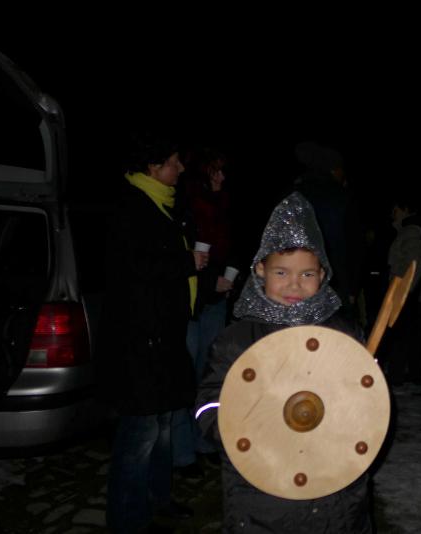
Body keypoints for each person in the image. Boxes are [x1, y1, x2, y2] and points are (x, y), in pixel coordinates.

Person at [195, 192, 373, 533]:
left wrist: (365, 385)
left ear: (323, 274)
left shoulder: (343, 333)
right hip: (264, 495)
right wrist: (247, 433)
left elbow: (367, 401)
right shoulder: (236, 340)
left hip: (335, 495)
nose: (294, 284)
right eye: (281, 272)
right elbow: (209, 405)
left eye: (307, 274)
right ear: (260, 270)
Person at [97, 131, 205, 532]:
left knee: (161, 427)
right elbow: (132, 271)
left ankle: (158, 500)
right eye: (174, 162)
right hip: (138, 341)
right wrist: (185, 262)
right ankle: (127, 519)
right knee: (140, 433)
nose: (180, 169)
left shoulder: (162, 204)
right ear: (153, 166)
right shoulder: (130, 206)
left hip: (163, 337)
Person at [171, 147, 236, 476]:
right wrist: (211, 281)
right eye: (215, 171)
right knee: (184, 376)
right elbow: (183, 259)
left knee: (209, 375)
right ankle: (182, 454)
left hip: (215, 301)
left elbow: (234, 246)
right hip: (190, 304)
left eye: (223, 171)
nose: (221, 177)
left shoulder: (225, 205)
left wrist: (231, 277)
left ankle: (204, 442)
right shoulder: (184, 206)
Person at [294, 141, 364, 322]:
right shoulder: (343, 197)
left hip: (295, 283)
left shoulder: (293, 195)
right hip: (335, 285)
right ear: (334, 170)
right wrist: (352, 288)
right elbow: (354, 246)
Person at [384, 193, 421, 386]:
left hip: (410, 293)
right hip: (416, 293)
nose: (393, 214)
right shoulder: (409, 231)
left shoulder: (410, 232)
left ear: (405, 210)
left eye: (396, 210)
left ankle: (397, 376)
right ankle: (415, 375)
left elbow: (413, 266)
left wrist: (402, 292)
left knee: (401, 336)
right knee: (414, 336)